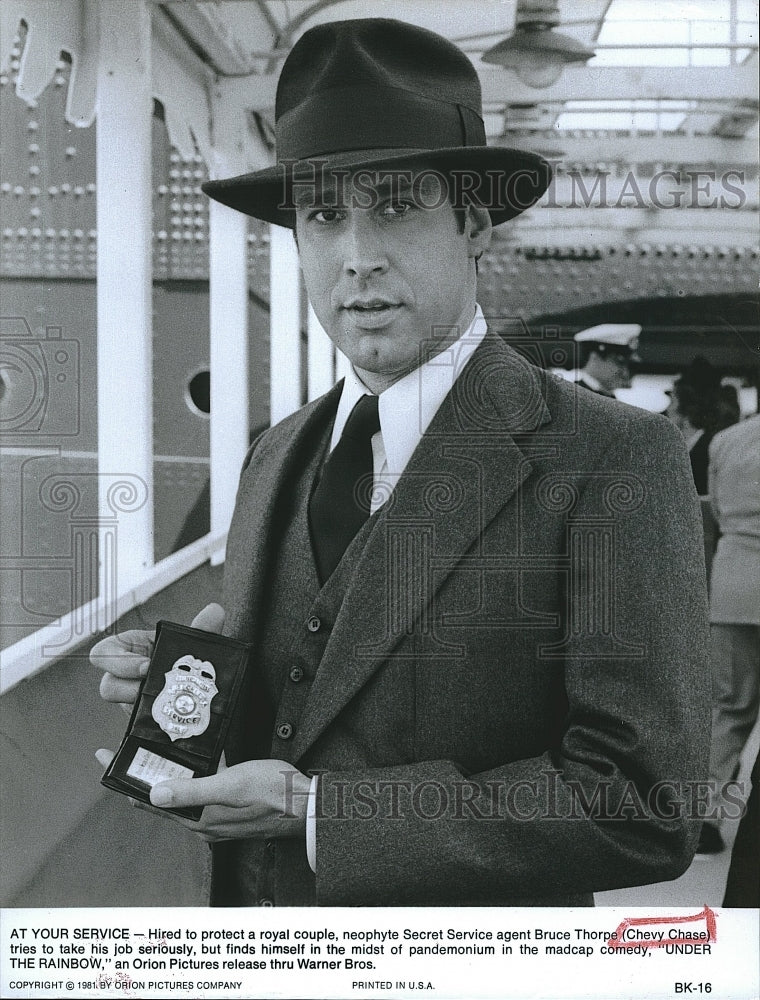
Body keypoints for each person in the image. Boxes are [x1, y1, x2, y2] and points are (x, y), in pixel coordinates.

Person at [92, 18, 710, 907]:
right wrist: (187, 692)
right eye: (323, 215)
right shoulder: (276, 453)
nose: (358, 257)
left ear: (473, 223)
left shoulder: (614, 457)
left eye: (395, 205)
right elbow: (312, 696)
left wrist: (320, 814)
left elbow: (644, 802)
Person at [697, 412, 760, 854]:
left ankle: (704, 816)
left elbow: (715, 509)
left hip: (733, 585)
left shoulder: (727, 439)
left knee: (729, 708)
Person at [573, 324, 641, 398]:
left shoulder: (610, 397)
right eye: (619, 363)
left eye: (628, 366)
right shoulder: (573, 396)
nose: (625, 373)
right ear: (594, 358)